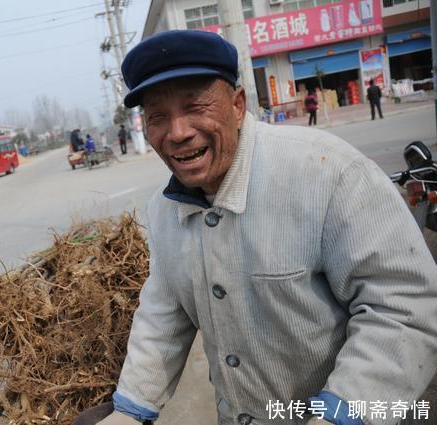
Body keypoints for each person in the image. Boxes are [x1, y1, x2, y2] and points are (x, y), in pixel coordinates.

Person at [80, 30, 437, 425]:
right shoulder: (164, 210)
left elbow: (404, 306)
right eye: (158, 116)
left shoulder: (326, 172)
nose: (177, 132)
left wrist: (342, 414)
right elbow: (164, 311)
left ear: (237, 105)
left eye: (195, 105)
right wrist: (131, 408)